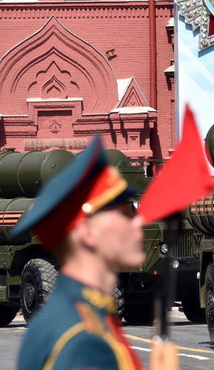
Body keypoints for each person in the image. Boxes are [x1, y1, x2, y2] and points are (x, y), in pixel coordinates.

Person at [9, 136, 146, 370]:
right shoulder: (81, 336)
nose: (137, 222)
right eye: (124, 214)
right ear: (87, 232)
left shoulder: (86, 316)